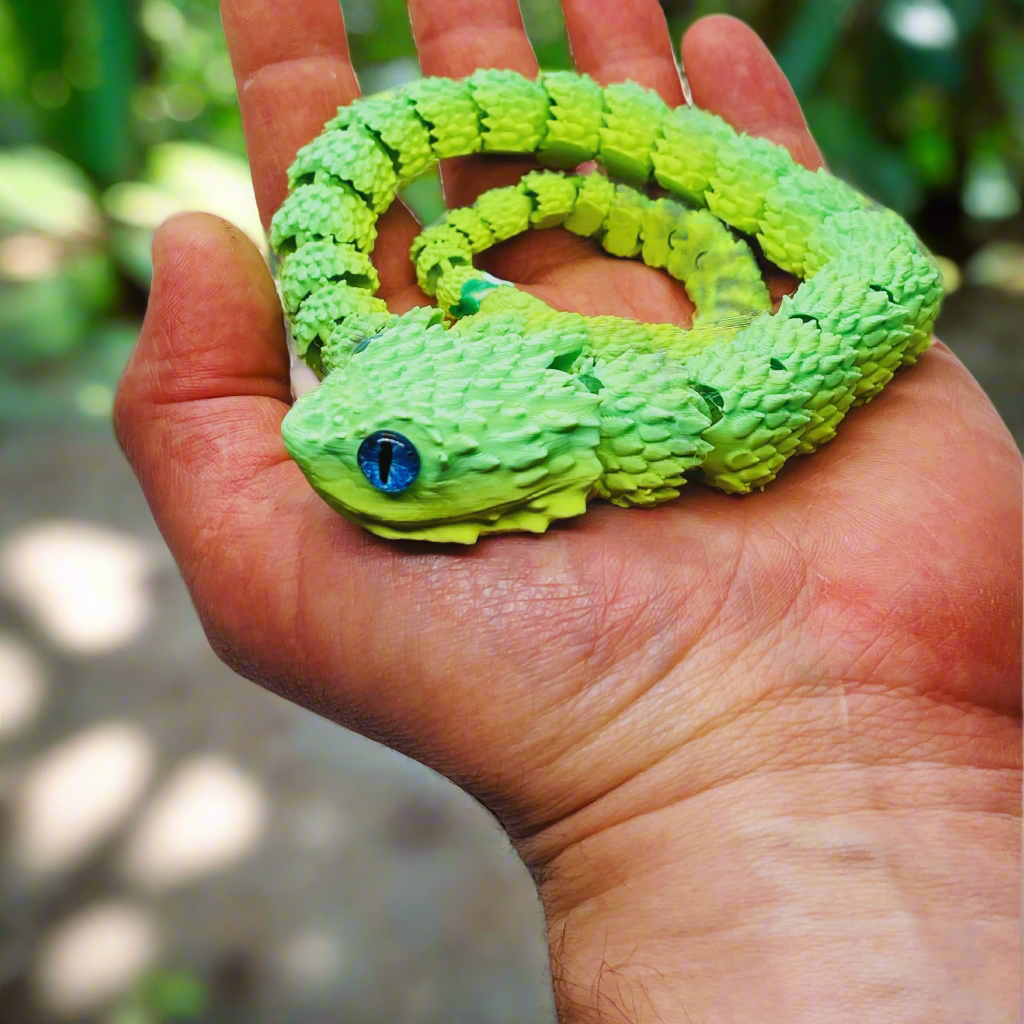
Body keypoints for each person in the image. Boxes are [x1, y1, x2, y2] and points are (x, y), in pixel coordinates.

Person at [113, 1, 1022, 1020]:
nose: (301, 438)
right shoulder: (618, 389)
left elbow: (859, 295)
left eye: (388, 460)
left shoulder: (689, 412)